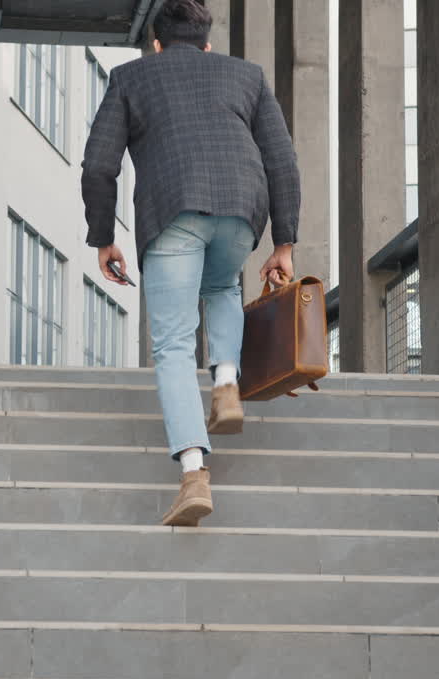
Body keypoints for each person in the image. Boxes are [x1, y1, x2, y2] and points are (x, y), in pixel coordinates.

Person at [81, 0, 301, 526]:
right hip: (241, 209)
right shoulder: (247, 76)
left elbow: (98, 165)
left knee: (175, 343)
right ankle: (226, 381)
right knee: (222, 285)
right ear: (207, 42)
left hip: (173, 210)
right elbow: (282, 159)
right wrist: (285, 242)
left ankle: (194, 474)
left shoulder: (132, 77)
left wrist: (103, 237)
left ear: (156, 42)